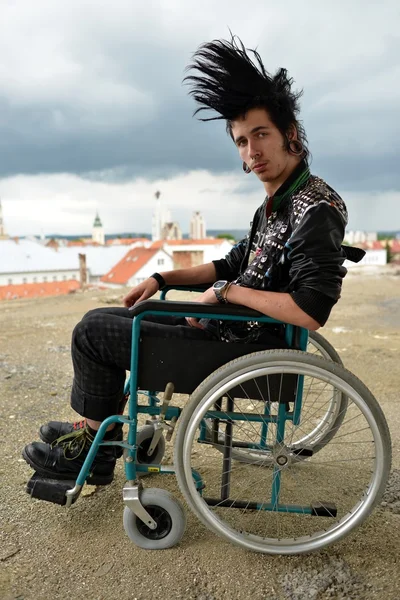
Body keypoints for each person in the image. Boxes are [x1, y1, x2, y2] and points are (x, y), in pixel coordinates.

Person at [22, 36, 351, 485]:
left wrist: (227, 294)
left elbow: (310, 311)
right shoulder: (276, 205)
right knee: (111, 314)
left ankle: (93, 452)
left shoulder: (316, 208)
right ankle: (100, 433)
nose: (251, 152)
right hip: (221, 332)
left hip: (241, 351)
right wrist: (161, 278)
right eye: (241, 141)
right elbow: (230, 263)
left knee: (92, 332)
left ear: (289, 133)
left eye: (261, 135)